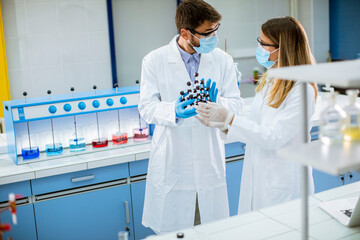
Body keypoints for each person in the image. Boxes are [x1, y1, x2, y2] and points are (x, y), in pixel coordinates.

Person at [138, 0, 243, 234]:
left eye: (216, 30)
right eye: (207, 32)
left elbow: (236, 103)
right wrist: (172, 110)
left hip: (209, 161)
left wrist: (218, 105)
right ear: (185, 32)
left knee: (213, 231)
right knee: (175, 232)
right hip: (173, 164)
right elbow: (146, 107)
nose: (213, 37)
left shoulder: (222, 60)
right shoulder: (154, 60)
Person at [196, 16, 318, 214]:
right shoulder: (273, 79)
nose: (259, 47)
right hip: (260, 178)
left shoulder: (302, 89)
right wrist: (220, 122)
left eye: (264, 43)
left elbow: (274, 137)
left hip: (285, 185)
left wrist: (230, 118)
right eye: (259, 41)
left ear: (283, 48)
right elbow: (253, 122)